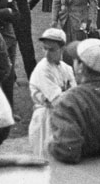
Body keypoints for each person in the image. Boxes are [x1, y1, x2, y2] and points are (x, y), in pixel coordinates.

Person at [28, 28, 76, 159]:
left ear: (62, 49)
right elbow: (57, 101)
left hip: (61, 117)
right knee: (44, 159)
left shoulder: (67, 68)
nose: (47, 53)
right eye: (45, 49)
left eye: (52, 49)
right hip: (44, 118)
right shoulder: (42, 69)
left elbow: (74, 95)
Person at [3, 0, 42, 79]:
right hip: (10, 20)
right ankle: (10, 77)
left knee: (28, 49)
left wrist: (28, 6)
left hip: (24, 19)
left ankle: (33, 77)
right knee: (9, 49)